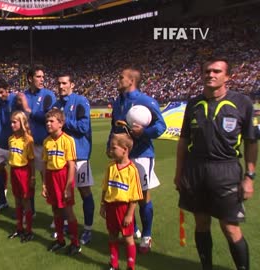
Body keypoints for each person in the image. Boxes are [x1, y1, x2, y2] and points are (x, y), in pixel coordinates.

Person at [174, 57, 257, 270]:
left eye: (217, 71)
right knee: (201, 223)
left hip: (226, 170)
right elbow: (183, 141)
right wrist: (178, 172)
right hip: (195, 170)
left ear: (227, 76)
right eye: (207, 71)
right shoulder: (193, 104)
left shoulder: (242, 103)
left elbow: (250, 142)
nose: (211, 74)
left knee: (230, 227)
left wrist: (249, 176)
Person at [108, 67, 166, 253]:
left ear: (131, 80)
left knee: (142, 196)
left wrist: (144, 133)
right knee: (123, 194)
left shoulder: (145, 101)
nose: (118, 79)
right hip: (123, 157)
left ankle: (147, 236)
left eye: (121, 77)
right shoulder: (117, 102)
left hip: (142, 155)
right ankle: (133, 230)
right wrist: (111, 145)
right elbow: (114, 127)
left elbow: (161, 126)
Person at [53, 74, 95, 245]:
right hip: (61, 157)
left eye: (64, 83)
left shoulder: (80, 101)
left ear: (72, 84)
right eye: (59, 83)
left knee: (84, 192)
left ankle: (88, 229)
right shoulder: (56, 105)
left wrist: (63, 121)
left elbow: (83, 127)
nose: (61, 86)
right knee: (62, 193)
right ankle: (65, 225)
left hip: (79, 156)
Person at [17, 65, 56, 215]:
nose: (42, 80)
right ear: (30, 79)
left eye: (43, 77)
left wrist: (28, 109)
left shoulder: (48, 95)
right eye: (38, 77)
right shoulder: (22, 95)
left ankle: (56, 215)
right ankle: (30, 210)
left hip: (44, 144)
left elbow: (49, 118)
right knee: (28, 180)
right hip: (27, 145)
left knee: (48, 181)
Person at [101, 133, 143, 270]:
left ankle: (131, 266)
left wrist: (130, 214)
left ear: (125, 149)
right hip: (110, 206)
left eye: (114, 148)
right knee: (112, 235)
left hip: (124, 208)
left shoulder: (132, 170)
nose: (110, 151)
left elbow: (135, 196)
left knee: (127, 238)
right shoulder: (110, 167)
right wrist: (103, 205)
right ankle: (114, 264)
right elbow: (105, 188)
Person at [42, 108, 81, 255]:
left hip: (63, 177)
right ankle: (60, 239)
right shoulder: (46, 141)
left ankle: (75, 243)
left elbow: (72, 165)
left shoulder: (67, 140)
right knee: (55, 210)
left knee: (68, 210)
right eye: (47, 121)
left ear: (61, 123)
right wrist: (45, 184)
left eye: (52, 121)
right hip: (51, 177)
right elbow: (46, 165)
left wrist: (68, 187)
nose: (48, 124)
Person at [7, 111, 35, 242]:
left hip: (24, 172)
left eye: (15, 122)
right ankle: (19, 228)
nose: (12, 124)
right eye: (11, 122)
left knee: (26, 200)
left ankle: (28, 230)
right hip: (14, 171)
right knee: (17, 200)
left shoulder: (28, 140)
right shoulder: (11, 139)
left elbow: (32, 160)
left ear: (22, 123)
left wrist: (33, 177)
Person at [0, 79, 17, 212]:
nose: (0, 95)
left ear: (7, 89)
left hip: (14, 146)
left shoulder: (15, 100)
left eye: (1, 92)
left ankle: (27, 208)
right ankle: (2, 200)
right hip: (1, 145)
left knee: (18, 178)